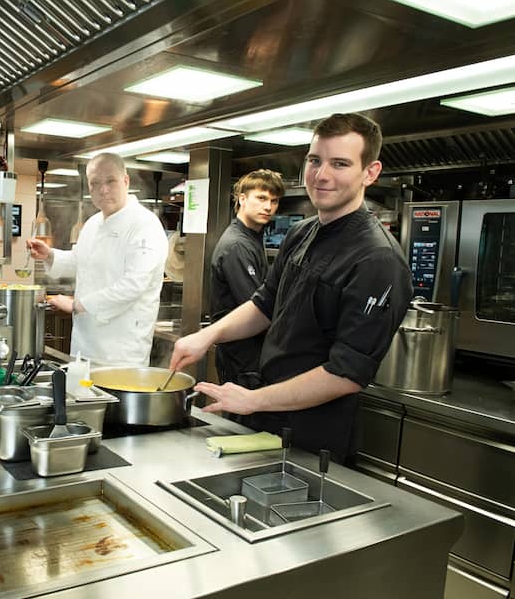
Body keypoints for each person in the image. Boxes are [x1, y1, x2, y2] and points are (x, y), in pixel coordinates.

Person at [169, 113, 412, 463]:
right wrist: (209, 336)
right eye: (315, 160)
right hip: (267, 415)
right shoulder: (302, 233)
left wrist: (253, 401)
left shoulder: (378, 259)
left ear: (370, 173)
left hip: (314, 436)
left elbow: (347, 373)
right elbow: (265, 304)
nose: (322, 175)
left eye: (340, 164)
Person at [27, 153, 168, 366]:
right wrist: (51, 254)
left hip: (121, 353)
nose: (103, 190)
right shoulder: (93, 223)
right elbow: (80, 261)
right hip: (84, 346)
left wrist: (77, 305)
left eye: (110, 181)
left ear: (125, 181)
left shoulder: (144, 224)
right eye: (95, 183)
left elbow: (133, 285)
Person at [210, 169, 284, 385]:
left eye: (274, 200)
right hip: (242, 357)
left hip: (250, 355)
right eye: (261, 198)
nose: (268, 206)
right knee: (240, 418)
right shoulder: (237, 245)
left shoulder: (252, 237)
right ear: (242, 198)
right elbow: (256, 309)